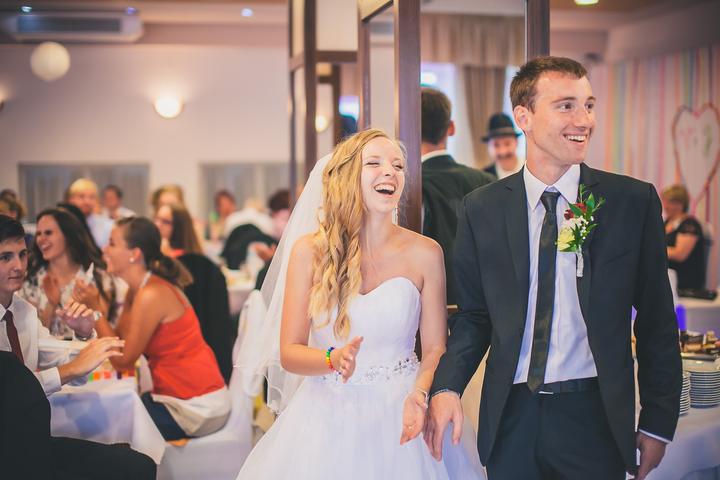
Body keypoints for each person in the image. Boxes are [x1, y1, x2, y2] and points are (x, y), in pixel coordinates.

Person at [426, 56, 682, 480]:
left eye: (589, 105)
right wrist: (447, 386)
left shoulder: (631, 203)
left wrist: (658, 420)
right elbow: (474, 317)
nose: (584, 120)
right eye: (566, 106)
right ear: (523, 117)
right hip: (511, 419)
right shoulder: (482, 209)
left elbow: (657, 318)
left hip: (595, 419)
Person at [235, 129, 483, 479]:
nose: (390, 172)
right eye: (374, 163)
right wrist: (331, 359)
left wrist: (420, 393)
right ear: (347, 176)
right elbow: (290, 351)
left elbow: (434, 348)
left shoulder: (426, 252)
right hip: (326, 415)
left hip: (401, 408)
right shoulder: (309, 252)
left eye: (398, 166)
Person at [96, 217, 230, 440]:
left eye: (112, 243)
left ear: (134, 254)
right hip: (181, 396)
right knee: (113, 412)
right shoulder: (138, 289)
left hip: (196, 406)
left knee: (109, 424)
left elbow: (123, 360)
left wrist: (95, 312)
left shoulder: (151, 294)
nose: (104, 249)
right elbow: (120, 341)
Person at [0, 214, 125, 397]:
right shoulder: (34, 283)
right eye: (5, 257)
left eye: (22, 255)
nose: (19, 266)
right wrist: (71, 369)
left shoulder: (23, 312)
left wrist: (82, 334)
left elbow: (74, 372)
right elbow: (10, 392)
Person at [0, 351, 156, 480]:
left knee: (140, 466)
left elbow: (60, 355)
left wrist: (84, 336)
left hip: (32, 438)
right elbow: (123, 360)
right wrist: (70, 369)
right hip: (11, 445)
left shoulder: (24, 322)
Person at [420, 87, 494, 307]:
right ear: (451, 128)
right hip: (481, 304)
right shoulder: (487, 181)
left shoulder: (411, 185)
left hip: (431, 304)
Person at [154, 203, 234, 382]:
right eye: (156, 219)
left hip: (177, 355)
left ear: (179, 227)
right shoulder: (202, 263)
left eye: (165, 222)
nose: (157, 225)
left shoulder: (171, 267)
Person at [21, 208, 118, 335]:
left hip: (88, 347)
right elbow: (33, 335)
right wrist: (51, 304)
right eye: (38, 234)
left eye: (48, 233)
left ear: (68, 235)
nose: (41, 239)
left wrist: (90, 304)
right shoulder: (32, 280)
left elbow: (103, 331)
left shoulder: (97, 277)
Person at [661, 184, 707, 290]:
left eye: (671, 202)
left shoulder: (689, 225)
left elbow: (680, 254)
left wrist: (654, 250)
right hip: (668, 278)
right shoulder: (666, 222)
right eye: (665, 201)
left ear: (681, 204)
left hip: (685, 281)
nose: (666, 206)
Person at [66, 178, 114, 248]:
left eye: (92, 197)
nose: (87, 202)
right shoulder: (62, 224)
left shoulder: (108, 226)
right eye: (81, 196)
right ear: (71, 199)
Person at [481, 113, 523, 180]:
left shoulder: (530, 168)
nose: (503, 152)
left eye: (507, 144)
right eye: (496, 145)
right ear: (489, 147)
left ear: (516, 142)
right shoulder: (483, 177)